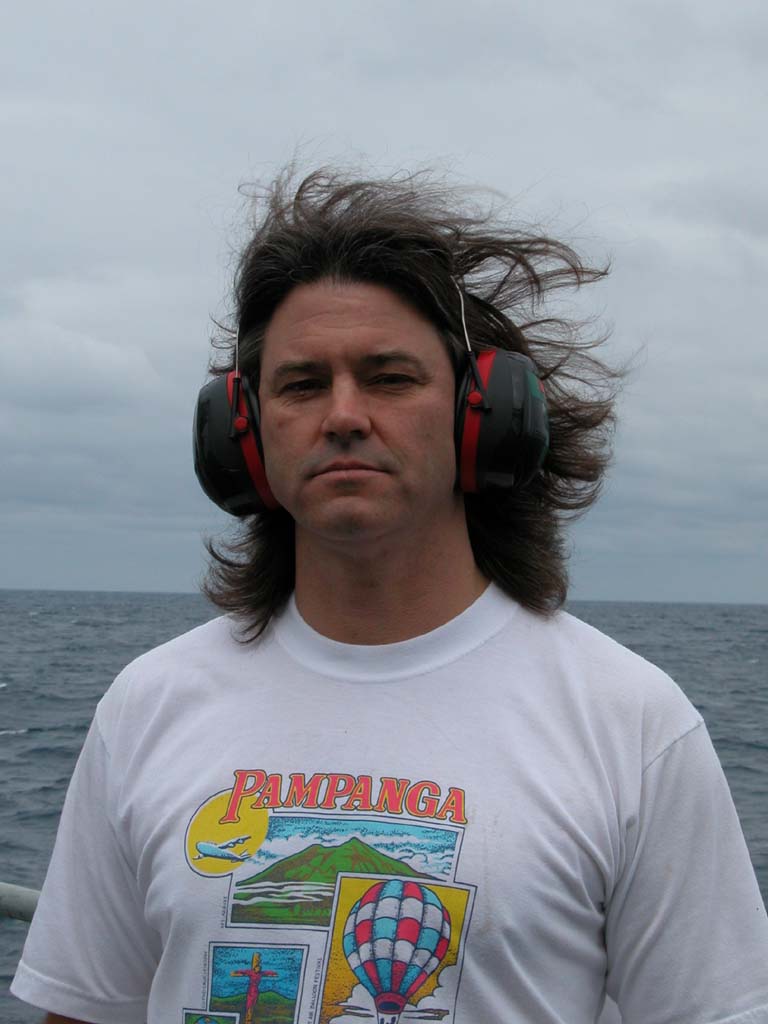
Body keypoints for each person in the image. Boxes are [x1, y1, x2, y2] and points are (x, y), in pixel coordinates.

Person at [12, 167, 768, 1024]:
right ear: (244, 433)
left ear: (482, 416)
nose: (343, 414)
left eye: (389, 377)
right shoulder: (147, 705)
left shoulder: (631, 723)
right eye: (302, 384)